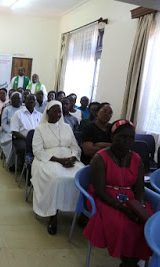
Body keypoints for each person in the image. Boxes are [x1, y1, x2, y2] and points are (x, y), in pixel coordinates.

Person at [83, 120, 153, 266]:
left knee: (147, 223)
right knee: (121, 224)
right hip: (105, 198)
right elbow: (100, 191)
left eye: (131, 138)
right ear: (112, 136)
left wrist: (139, 208)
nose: (127, 141)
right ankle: (128, 261)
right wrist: (123, 208)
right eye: (122, 137)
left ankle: (131, 261)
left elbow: (139, 188)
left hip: (130, 198)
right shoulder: (100, 158)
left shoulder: (136, 159)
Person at [31, 100, 84, 235]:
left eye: (60, 111)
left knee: (83, 177)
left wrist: (72, 157)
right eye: (55, 111)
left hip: (69, 159)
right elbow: (37, 151)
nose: (58, 114)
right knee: (57, 179)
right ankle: (53, 215)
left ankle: (82, 212)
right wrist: (59, 160)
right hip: (47, 160)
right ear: (47, 112)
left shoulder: (66, 127)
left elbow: (75, 146)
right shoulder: (40, 129)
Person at [10, 95, 42, 171]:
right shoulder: (18, 114)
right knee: (24, 148)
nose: (31, 101)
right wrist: (28, 139)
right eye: (29, 99)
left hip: (37, 140)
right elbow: (14, 131)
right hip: (22, 139)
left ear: (35, 102)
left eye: (33, 100)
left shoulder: (40, 115)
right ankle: (25, 169)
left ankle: (37, 170)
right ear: (25, 100)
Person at [0, 92, 23, 167]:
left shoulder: (23, 109)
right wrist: (11, 131)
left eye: (18, 98)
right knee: (11, 140)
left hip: (21, 131)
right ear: (11, 100)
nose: (17, 100)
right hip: (8, 131)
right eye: (15, 99)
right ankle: (11, 163)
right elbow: (3, 124)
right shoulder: (7, 109)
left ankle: (21, 162)